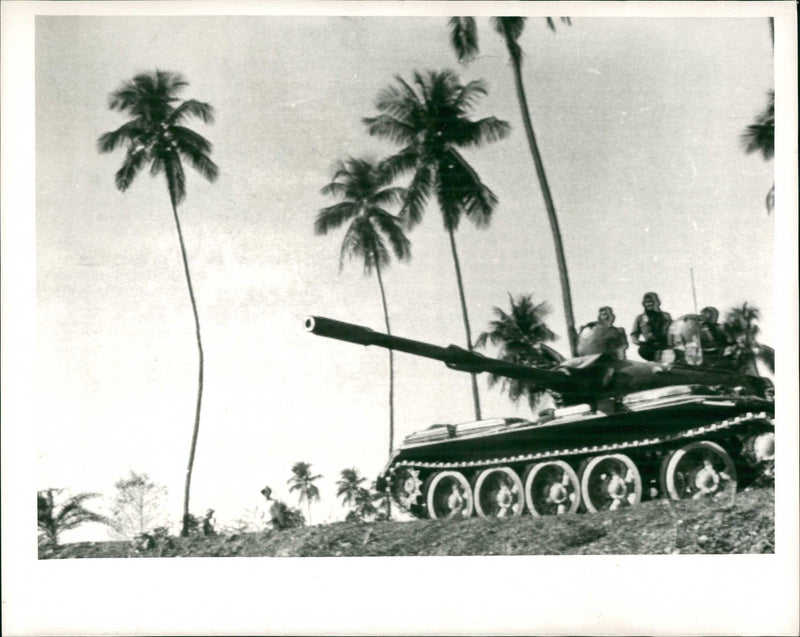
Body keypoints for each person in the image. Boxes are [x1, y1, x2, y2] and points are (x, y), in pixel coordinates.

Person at [630, 292, 672, 361]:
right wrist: (641, 343)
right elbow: (634, 335)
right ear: (644, 304)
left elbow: (672, 330)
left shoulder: (665, 316)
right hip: (650, 347)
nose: (650, 304)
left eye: (652, 301)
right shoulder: (640, 318)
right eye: (647, 302)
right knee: (642, 350)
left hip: (665, 346)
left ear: (657, 302)